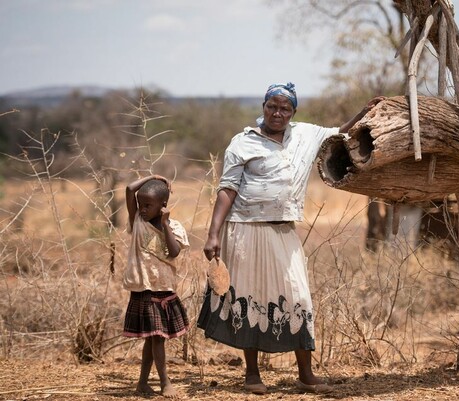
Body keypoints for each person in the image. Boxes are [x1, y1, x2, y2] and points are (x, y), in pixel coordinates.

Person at [197, 82, 384, 395]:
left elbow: (339, 131)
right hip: (245, 229)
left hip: (283, 230)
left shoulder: (305, 135)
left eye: (284, 108)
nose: (277, 113)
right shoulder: (243, 143)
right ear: (263, 107)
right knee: (250, 299)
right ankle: (253, 374)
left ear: (293, 112)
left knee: (298, 298)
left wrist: (365, 111)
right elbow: (227, 189)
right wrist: (213, 233)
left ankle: (306, 375)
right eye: (272, 106)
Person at [122, 175, 190, 398]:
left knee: (154, 338)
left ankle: (142, 384)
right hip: (144, 288)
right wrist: (155, 177)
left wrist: (164, 224)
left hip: (164, 289)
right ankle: (165, 383)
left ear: (163, 206)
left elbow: (174, 251)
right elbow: (129, 189)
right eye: (141, 205)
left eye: (148, 205)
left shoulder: (175, 227)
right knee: (157, 337)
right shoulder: (137, 223)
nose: (142, 209)